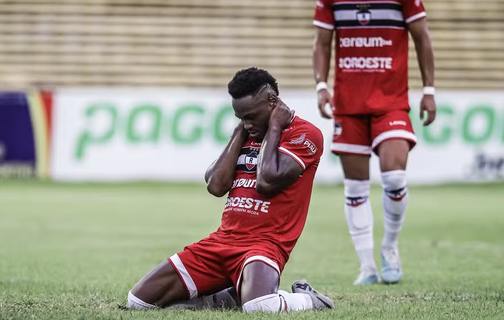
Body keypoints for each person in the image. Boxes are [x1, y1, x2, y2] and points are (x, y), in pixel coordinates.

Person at [127, 67, 334, 312]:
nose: (247, 123)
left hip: (264, 245)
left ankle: (310, 300)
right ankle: (229, 296)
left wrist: (275, 128)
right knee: (139, 302)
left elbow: (266, 182)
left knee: (259, 307)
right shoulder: (247, 131)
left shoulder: (305, 134)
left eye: (250, 116)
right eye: (240, 117)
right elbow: (215, 185)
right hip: (222, 241)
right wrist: (239, 132)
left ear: (272, 102)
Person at [312, 0, 436, 285]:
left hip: (391, 103)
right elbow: (321, 42)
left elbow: (422, 37)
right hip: (348, 105)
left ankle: (390, 247)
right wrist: (321, 86)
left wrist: (429, 89)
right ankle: (367, 266)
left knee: (394, 177)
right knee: (355, 188)